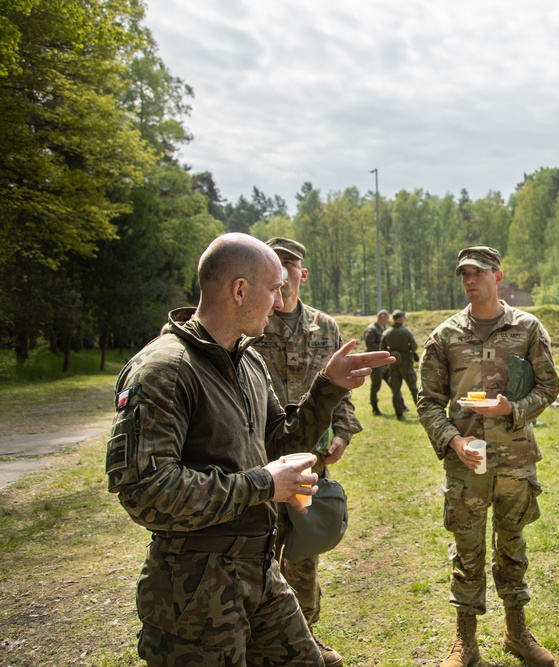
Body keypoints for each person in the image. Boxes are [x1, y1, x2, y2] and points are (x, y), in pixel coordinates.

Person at [105, 233, 393, 667]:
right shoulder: (164, 370)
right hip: (195, 591)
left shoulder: (248, 361)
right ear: (240, 290)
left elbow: (279, 440)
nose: (281, 302)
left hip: (258, 569)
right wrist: (263, 484)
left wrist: (328, 388)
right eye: (274, 288)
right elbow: (148, 492)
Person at [417, 246, 559, 667]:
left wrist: (511, 410)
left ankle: (517, 633)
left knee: (513, 546)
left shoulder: (527, 328)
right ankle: (466, 643)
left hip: (515, 460)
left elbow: (549, 387)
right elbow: (428, 402)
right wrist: (452, 441)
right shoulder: (444, 336)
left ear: (498, 277)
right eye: (464, 274)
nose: (470, 280)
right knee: (467, 549)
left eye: (478, 273)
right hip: (467, 463)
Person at [252, 237, 363, 667]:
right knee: (258, 549)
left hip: (309, 461)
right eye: (274, 263)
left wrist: (342, 432)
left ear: (302, 273)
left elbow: (344, 390)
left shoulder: (324, 327)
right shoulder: (252, 323)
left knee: (302, 552)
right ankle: (257, 639)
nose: (283, 271)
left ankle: (304, 637)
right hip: (258, 459)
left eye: (290, 264)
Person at [381, 309, 420, 419]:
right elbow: (414, 346)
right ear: (401, 318)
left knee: (395, 390)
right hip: (406, 363)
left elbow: (382, 349)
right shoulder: (406, 331)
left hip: (393, 364)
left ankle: (399, 414)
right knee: (413, 389)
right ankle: (422, 412)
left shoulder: (386, 333)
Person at [363, 309, 391, 415]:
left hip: (384, 362)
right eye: (387, 317)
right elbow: (369, 345)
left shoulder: (384, 328)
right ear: (382, 316)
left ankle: (401, 405)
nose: (388, 320)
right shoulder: (371, 329)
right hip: (375, 362)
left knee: (393, 383)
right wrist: (384, 349)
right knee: (376, 385)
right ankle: (375, 408)